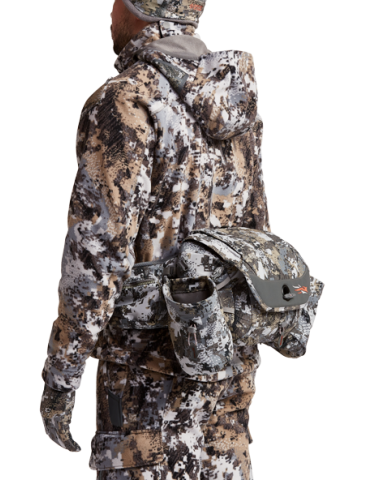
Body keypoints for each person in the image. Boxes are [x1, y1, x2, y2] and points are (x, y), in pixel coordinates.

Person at [40, 1, 271, 478]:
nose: (110, 15)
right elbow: (257, 234)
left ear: (141, 9)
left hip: (145, 391)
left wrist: (61, 377)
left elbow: (96, 258)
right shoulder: (235, 100)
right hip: (226, 383)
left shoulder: (125, 102)